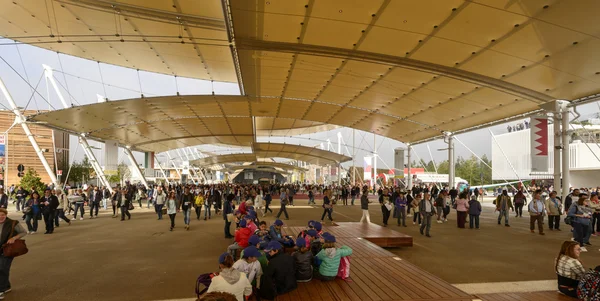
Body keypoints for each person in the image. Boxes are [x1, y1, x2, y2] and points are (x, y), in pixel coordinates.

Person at [0, 208, 28, 298]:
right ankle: (7, 286)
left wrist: (14, 238)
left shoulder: (13, 223)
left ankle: (1, 290)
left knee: (2, 268)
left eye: (3, 215)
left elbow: (23, 232)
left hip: (7, 249)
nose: (1, 217)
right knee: (2, 269)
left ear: (6, 214)